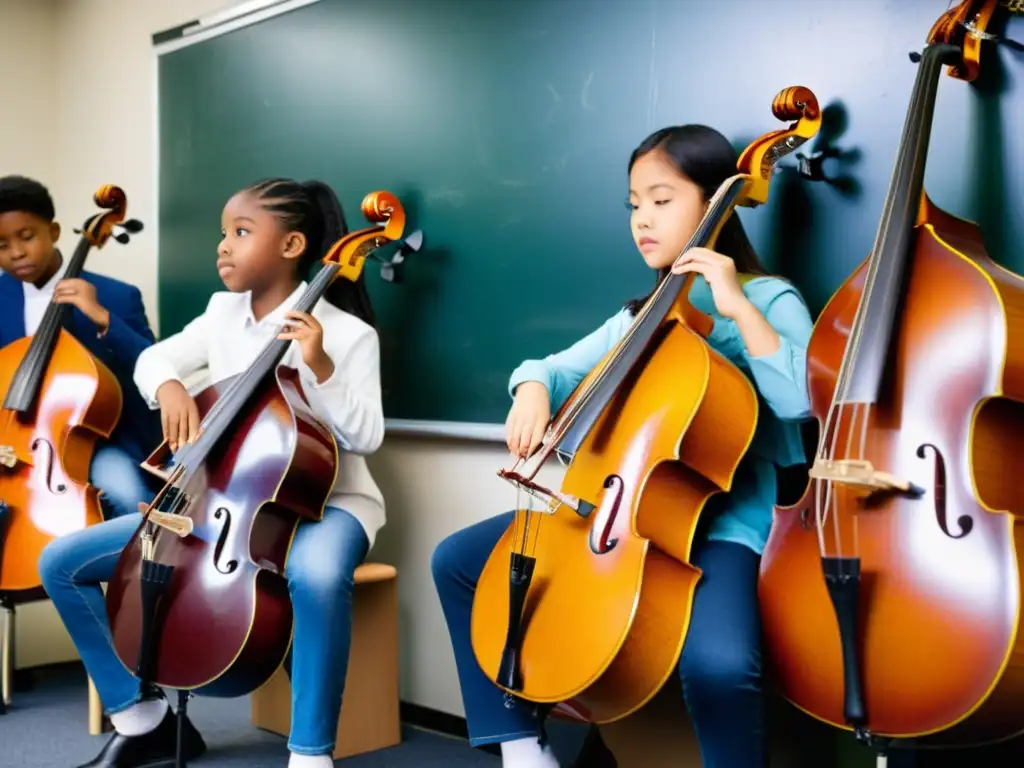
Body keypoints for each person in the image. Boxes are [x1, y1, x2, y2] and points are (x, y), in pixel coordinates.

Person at [431, 124, 814, 768]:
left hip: (723, 523)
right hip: (616, 510)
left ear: (715, 199)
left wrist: (736, 307)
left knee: (720, 666)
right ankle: (522, 747)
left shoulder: (768, 298)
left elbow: (801, 403)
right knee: (459, 560)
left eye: (661, 200)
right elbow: (547, 367)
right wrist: (530, 390)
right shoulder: (643, 314)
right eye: (634, 203)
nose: (642, 219)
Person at [38, 178, 386, 768]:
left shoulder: (349, 334)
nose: (223, 246)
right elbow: (155, 357)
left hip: (330, 501)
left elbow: (366, 436)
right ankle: (140, 717)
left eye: (241, 233)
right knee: (61, 563)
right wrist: (170, 385)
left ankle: (310, 754)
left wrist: (320, 365)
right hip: (225, 500)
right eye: (223, 233)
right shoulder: (222, 311)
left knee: (320, 577)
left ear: (292, 244)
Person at [0, 175, 160, 522]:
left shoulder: (116, 296)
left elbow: (153, 368)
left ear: (53, 232)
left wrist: (103, 320)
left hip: (96, 443)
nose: (16, 253)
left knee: (127, 496)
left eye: (27, 237)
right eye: (1, 245)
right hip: (13, 441)